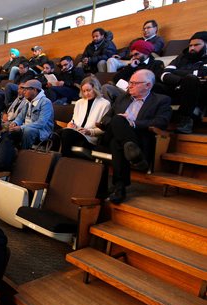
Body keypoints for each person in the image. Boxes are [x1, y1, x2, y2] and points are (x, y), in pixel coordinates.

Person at [100, 69, 172, 204]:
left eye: (134, 83)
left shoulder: (161, 100)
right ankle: (135, 155)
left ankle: (120, 187)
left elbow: (161, 122)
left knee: (117, 144)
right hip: (115, 133)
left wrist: (133, 122)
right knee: (117, 120)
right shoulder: (123, 98)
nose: (130, 86)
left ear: (148, 85)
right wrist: (121, 121)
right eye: (130, 82)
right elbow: (106, 118)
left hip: (138, 136)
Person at [155, 31, 207, 134]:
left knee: (191, 80)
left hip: (199, 92)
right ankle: (154, 120)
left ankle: (186, 120)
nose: (191, 48)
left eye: (196, 45)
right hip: (177, 88)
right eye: (190, 45)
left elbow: (203, 77)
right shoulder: (182, 57)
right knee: (154, 85)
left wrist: (177, 72)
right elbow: (164, 75)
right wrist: (181, 80)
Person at [60, 76, 111, 157]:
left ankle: (63, 161)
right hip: (75, 133)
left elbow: (104, 128)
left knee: (66, 134)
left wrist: (89, 131)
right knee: (57, 133)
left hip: (89, 138)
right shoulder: (79, 102)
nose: (86, 93)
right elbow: (73, 120)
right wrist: (70, 124)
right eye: (84, 91)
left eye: (88, 90)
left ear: (95, 88)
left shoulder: (105, 104)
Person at [9, 79, 54, 149]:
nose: (23, 92)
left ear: (35, 90)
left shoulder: (45, 102)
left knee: (28, 130)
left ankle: (24, 153)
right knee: (7, 127)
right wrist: (15, 123)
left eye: (26, 89)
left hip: (42, 131)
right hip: (26, 127)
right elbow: (20, 117)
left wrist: (21, 127)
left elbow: (41, 123)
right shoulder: (28, 101)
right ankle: (11, 152)